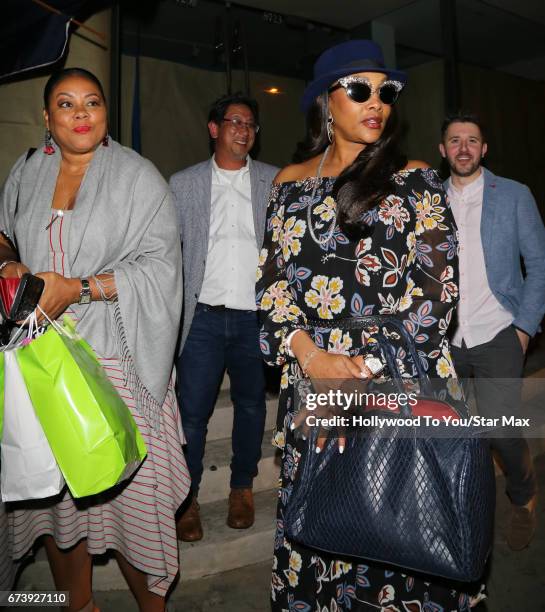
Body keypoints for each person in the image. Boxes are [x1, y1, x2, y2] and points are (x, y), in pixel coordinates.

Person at [256, 40, 486, 610]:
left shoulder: (414, 181)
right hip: (316, 388)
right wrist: (315, 361)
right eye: (359, 88)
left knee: (407, 533)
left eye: (387, 91)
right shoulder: (287, 184)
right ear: (322, 102)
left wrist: (360, 378)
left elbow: (437, 296)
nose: (376, 101)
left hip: (400, 381)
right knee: (324, 529)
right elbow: (271, 287)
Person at [0, 68, 189, 612]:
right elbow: (4, 233)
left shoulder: (137, 176)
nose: (81, 113)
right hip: (44, 361)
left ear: (105, 113)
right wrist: (10, 261)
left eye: (92, 102)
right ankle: (78, 604)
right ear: (47, 117)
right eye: (66, 103)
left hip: (118, 357)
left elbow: (162, 270)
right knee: (60, 507)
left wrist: (78, 288)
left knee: (133, 503)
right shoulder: (27, 171)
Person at [169, 93, 278, 541]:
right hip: (203, 318)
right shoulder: (183, 184)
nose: (243, 130)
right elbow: (167, 253)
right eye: (234, 122)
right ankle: (187, 497)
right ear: (214, 129)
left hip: (255, 317)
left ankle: (242, 488)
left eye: (250, 124)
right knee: (192, 414)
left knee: (252, 405)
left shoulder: (275, 182)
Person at [439, 112, 545, 550]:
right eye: (455, 140)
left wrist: (523, 328)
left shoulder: (514, 196)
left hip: (500, 329)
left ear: (484, 149)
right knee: (449, 430)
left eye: (473, 140)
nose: (464, 148)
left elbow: (539, 265)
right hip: (445, 337)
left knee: (501, 429)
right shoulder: (428, 201)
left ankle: (523, 497)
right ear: (443, 150)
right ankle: (459, 504)